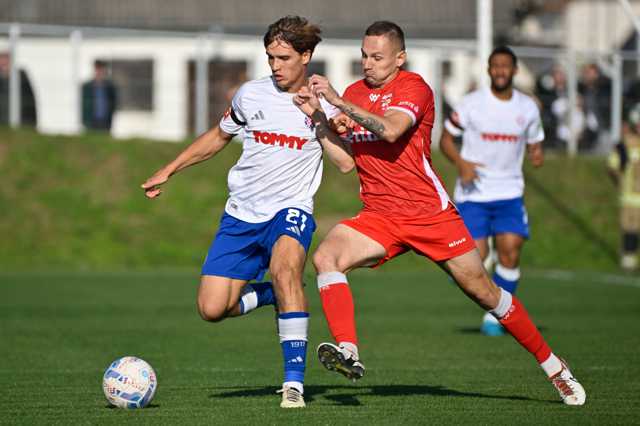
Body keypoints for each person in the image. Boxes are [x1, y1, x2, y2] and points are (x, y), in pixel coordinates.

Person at [299, 21, 586, 406]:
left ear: (399, 58)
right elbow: (346, 164)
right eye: (364, 56)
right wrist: (319, 119)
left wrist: (339, 102)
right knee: (326, 257)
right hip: (381, 215)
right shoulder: (353, 93)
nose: (368, 64)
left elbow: (390, 131)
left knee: (485, 293)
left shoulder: (414, 88)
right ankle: (348, 351)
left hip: (429, 214)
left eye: (377, 57)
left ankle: (553, 366)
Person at [140, 16, 352, 409]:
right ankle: (276, 295)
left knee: (286, 269)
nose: (275, 65)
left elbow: (344, 163)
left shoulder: (324, 100)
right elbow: (218, 137)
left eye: (284, 57)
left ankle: (293, 384)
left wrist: (319, 117)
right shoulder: (250, 95)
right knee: (212, 308)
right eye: (270, 57)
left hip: (290, 210)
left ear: (305, 56)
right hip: (241, 214)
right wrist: (169, 168)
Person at [439, 46, 544, 337]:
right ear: (488, 70)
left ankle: (496, 317)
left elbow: (536, 139)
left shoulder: (527, 107)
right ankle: (464, 274)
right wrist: (461, 163)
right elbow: (446, 139)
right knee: (475, 256)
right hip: (474, 193)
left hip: (510, 192)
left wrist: (537, 153)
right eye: (495, 66)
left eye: (505, 66)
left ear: (514, 70)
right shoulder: (472, 104)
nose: (500, 71)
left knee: (510, 253)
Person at [608, 103, 640, 272]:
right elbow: (612, 166)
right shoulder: (626, 143)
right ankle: (629, 260)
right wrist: (618, 182)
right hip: (630, 197)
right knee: (630, 230)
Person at [0, 52, 37, 126]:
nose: (3, 66)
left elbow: (29, 103)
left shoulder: (21, 78)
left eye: (5, 63)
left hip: (23, 122)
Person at [82, 60, 117, 131]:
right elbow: (84, 105)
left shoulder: (110, 86)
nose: (100, 72)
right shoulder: (87, 86)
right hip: (91, 121)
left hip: (105, 121)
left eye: (102, 70)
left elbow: (114, 102)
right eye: (98, 69)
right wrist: (85, 121)